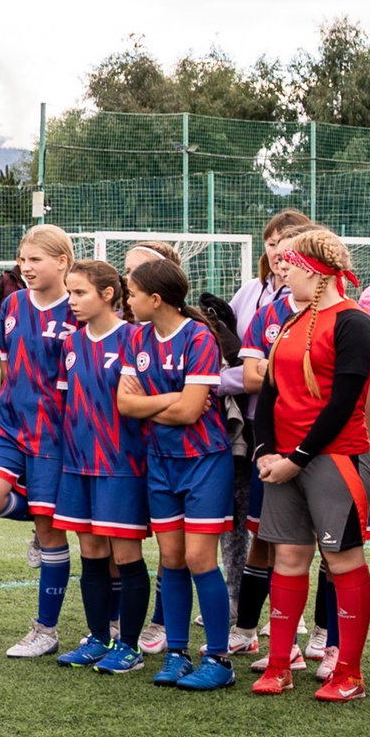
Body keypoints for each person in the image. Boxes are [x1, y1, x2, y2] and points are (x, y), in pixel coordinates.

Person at [247, 227, 370, 700]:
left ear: (313, 269)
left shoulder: (353, 322)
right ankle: (279, 664)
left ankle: (349, 673)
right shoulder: (288, 322)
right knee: (288, 557)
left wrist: (297, 458)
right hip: (283, 460)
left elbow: (344, 402)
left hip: (333, 458)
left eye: (288, 261)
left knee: (341, 560)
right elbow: (271, 395)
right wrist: (266, 452)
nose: (281, 267)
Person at [114, 257, 238, 687]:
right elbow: (126, 406)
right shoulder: (137, 338)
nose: (126, 301)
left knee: (199, 558)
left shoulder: (199, 336)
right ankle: (177, 653)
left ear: (156, 298)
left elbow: (191, 413)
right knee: (170, 560)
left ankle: (219, 661)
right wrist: (172, 400)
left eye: (130, 294)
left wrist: (158, 404)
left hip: (204, 461)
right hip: (161, 464)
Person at [0, 225, 76, 659]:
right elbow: (6, 364)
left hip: (55, 434)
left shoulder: (78, 310)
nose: (25, 267)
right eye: (22, 258)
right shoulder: (12, 304)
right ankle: (35, 520)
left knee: (53, 532)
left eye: (35, 259)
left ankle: (45, 630)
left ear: (62, 262)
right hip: (9, 424)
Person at [49, 260, 153, 670]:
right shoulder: (72, 344)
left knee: (126, 555)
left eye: (79, 293)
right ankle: (97, 638)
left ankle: (130, 646)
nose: (71, 301)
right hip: (77, 464)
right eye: (70, 293)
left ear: (108, 294)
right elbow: (64, 403)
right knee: (90, 552)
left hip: (121, 466)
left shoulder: (134, 338)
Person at [227, 210, 313, 655]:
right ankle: (248, 631)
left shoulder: (348, 315)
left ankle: (323, 640)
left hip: (333, 447)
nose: (278, 252)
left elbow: (360, 388)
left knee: (328, 551)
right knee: (266, 538)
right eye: (273, 244)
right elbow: (254, 375)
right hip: (271, 438)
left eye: (288, 244)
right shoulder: (267, 310)